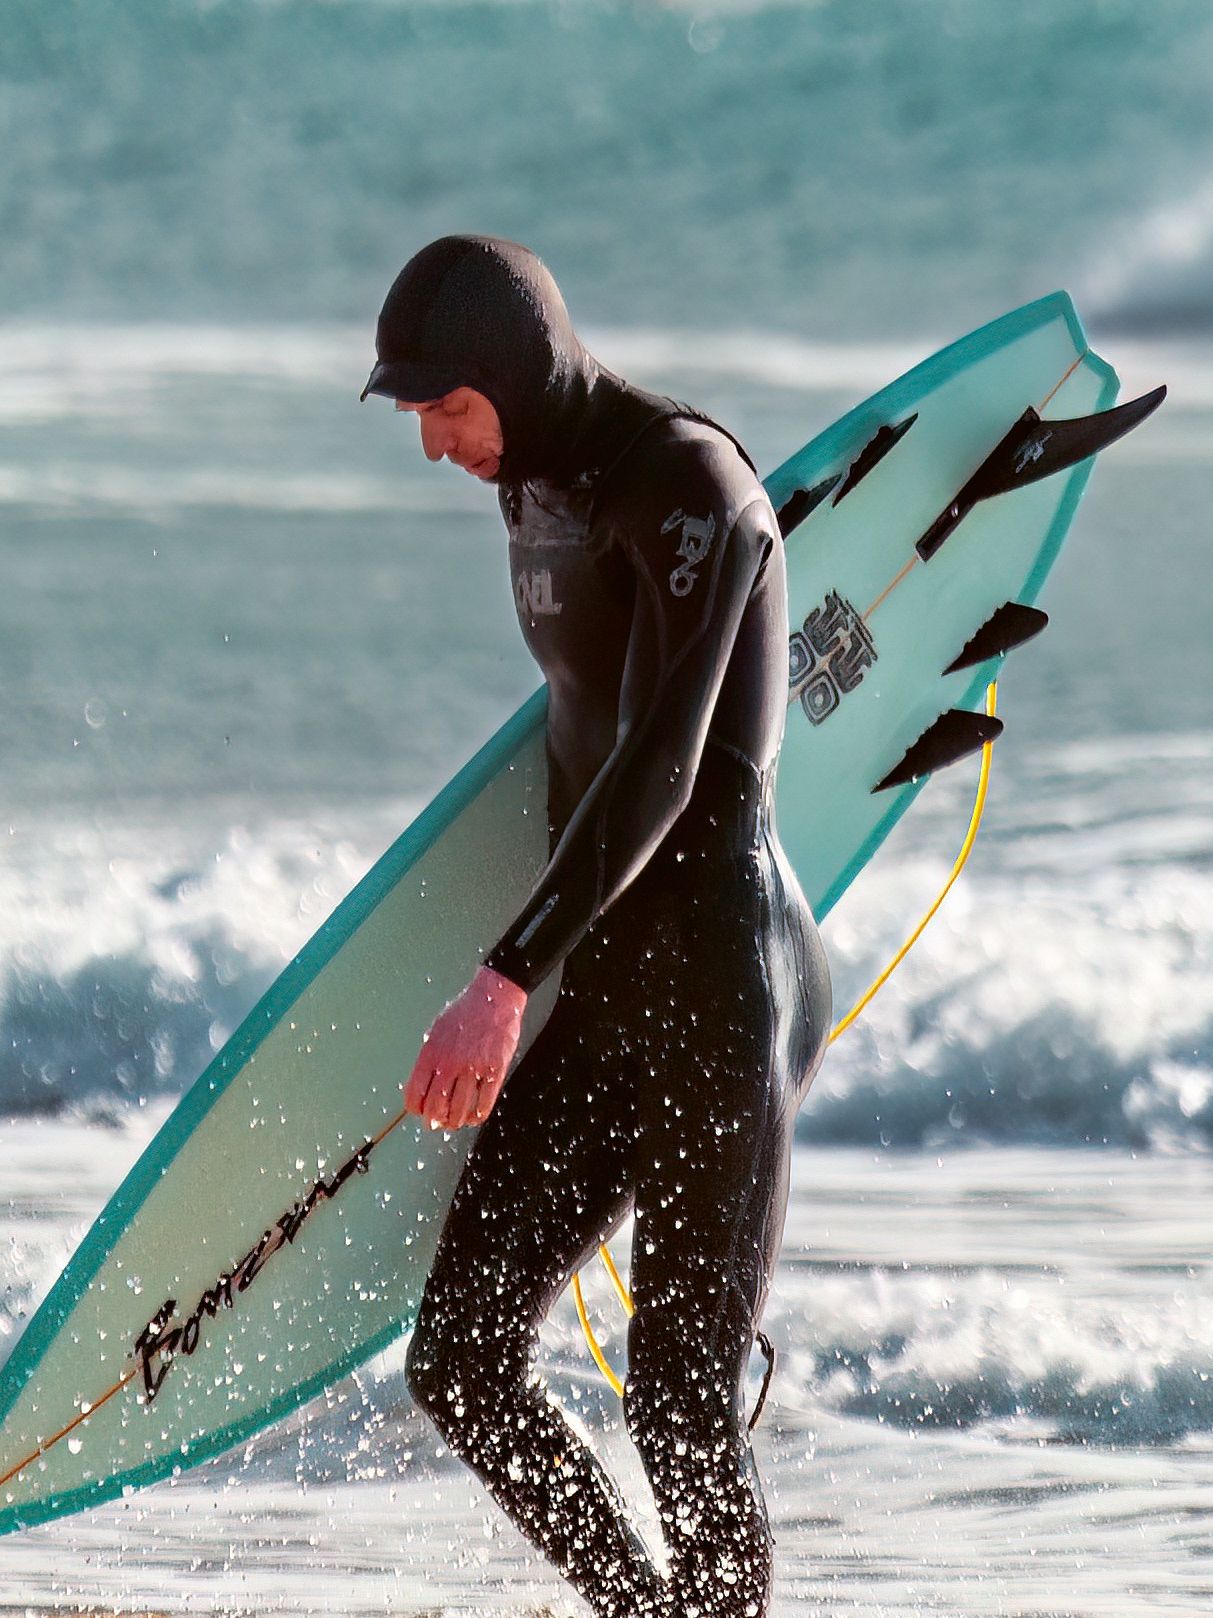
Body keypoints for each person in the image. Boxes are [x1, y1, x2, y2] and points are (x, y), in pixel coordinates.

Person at [368, 234, 826, 1618]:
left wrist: (506, 973)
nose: (435, 446)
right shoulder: (540, 486)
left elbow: (663, 763)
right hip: (609, 987)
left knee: (681, 1401)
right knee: (457, 1357)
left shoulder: (692, 486)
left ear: (509, 374)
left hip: (716, 984)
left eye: (447, 410)